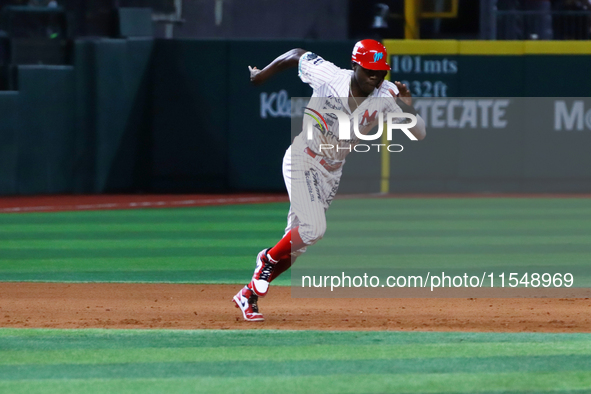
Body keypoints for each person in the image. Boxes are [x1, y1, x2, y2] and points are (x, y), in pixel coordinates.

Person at [233, 39, 427, 322]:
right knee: (314, 228)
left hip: (331, 173)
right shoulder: (330, 75)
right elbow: (296, 55)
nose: (375, 76)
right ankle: (267, 259)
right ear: (355, 65)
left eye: (380, 71)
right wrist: (262, 74)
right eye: (369, 69)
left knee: (296, 246)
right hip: (303, 157)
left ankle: (248, 294)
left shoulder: (386, 95)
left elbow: (419, 133)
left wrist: (408, 107)